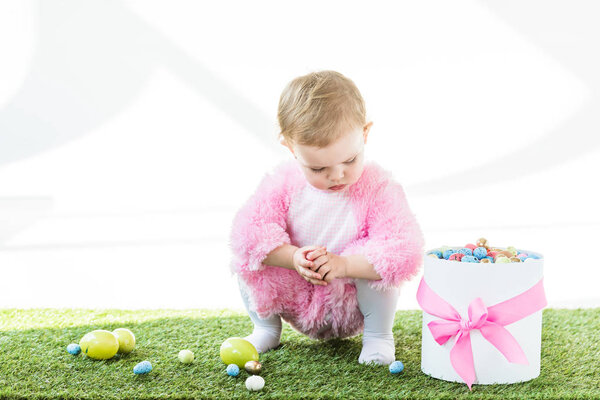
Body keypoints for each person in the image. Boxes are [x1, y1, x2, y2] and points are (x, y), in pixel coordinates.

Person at [229, 70, 424, 365]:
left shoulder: (378, 187)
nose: (337, 175)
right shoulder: (283, 184)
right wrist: (294, 257)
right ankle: (266, 327)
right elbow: (249, 232)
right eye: (318, 169)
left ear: (365, 134)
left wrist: (344, 264)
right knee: (248, 256)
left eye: (349, 160)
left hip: (348, 300)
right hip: (296, 294)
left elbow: (401, 250)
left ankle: (378, 336)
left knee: (382, 268)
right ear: (292, 148)